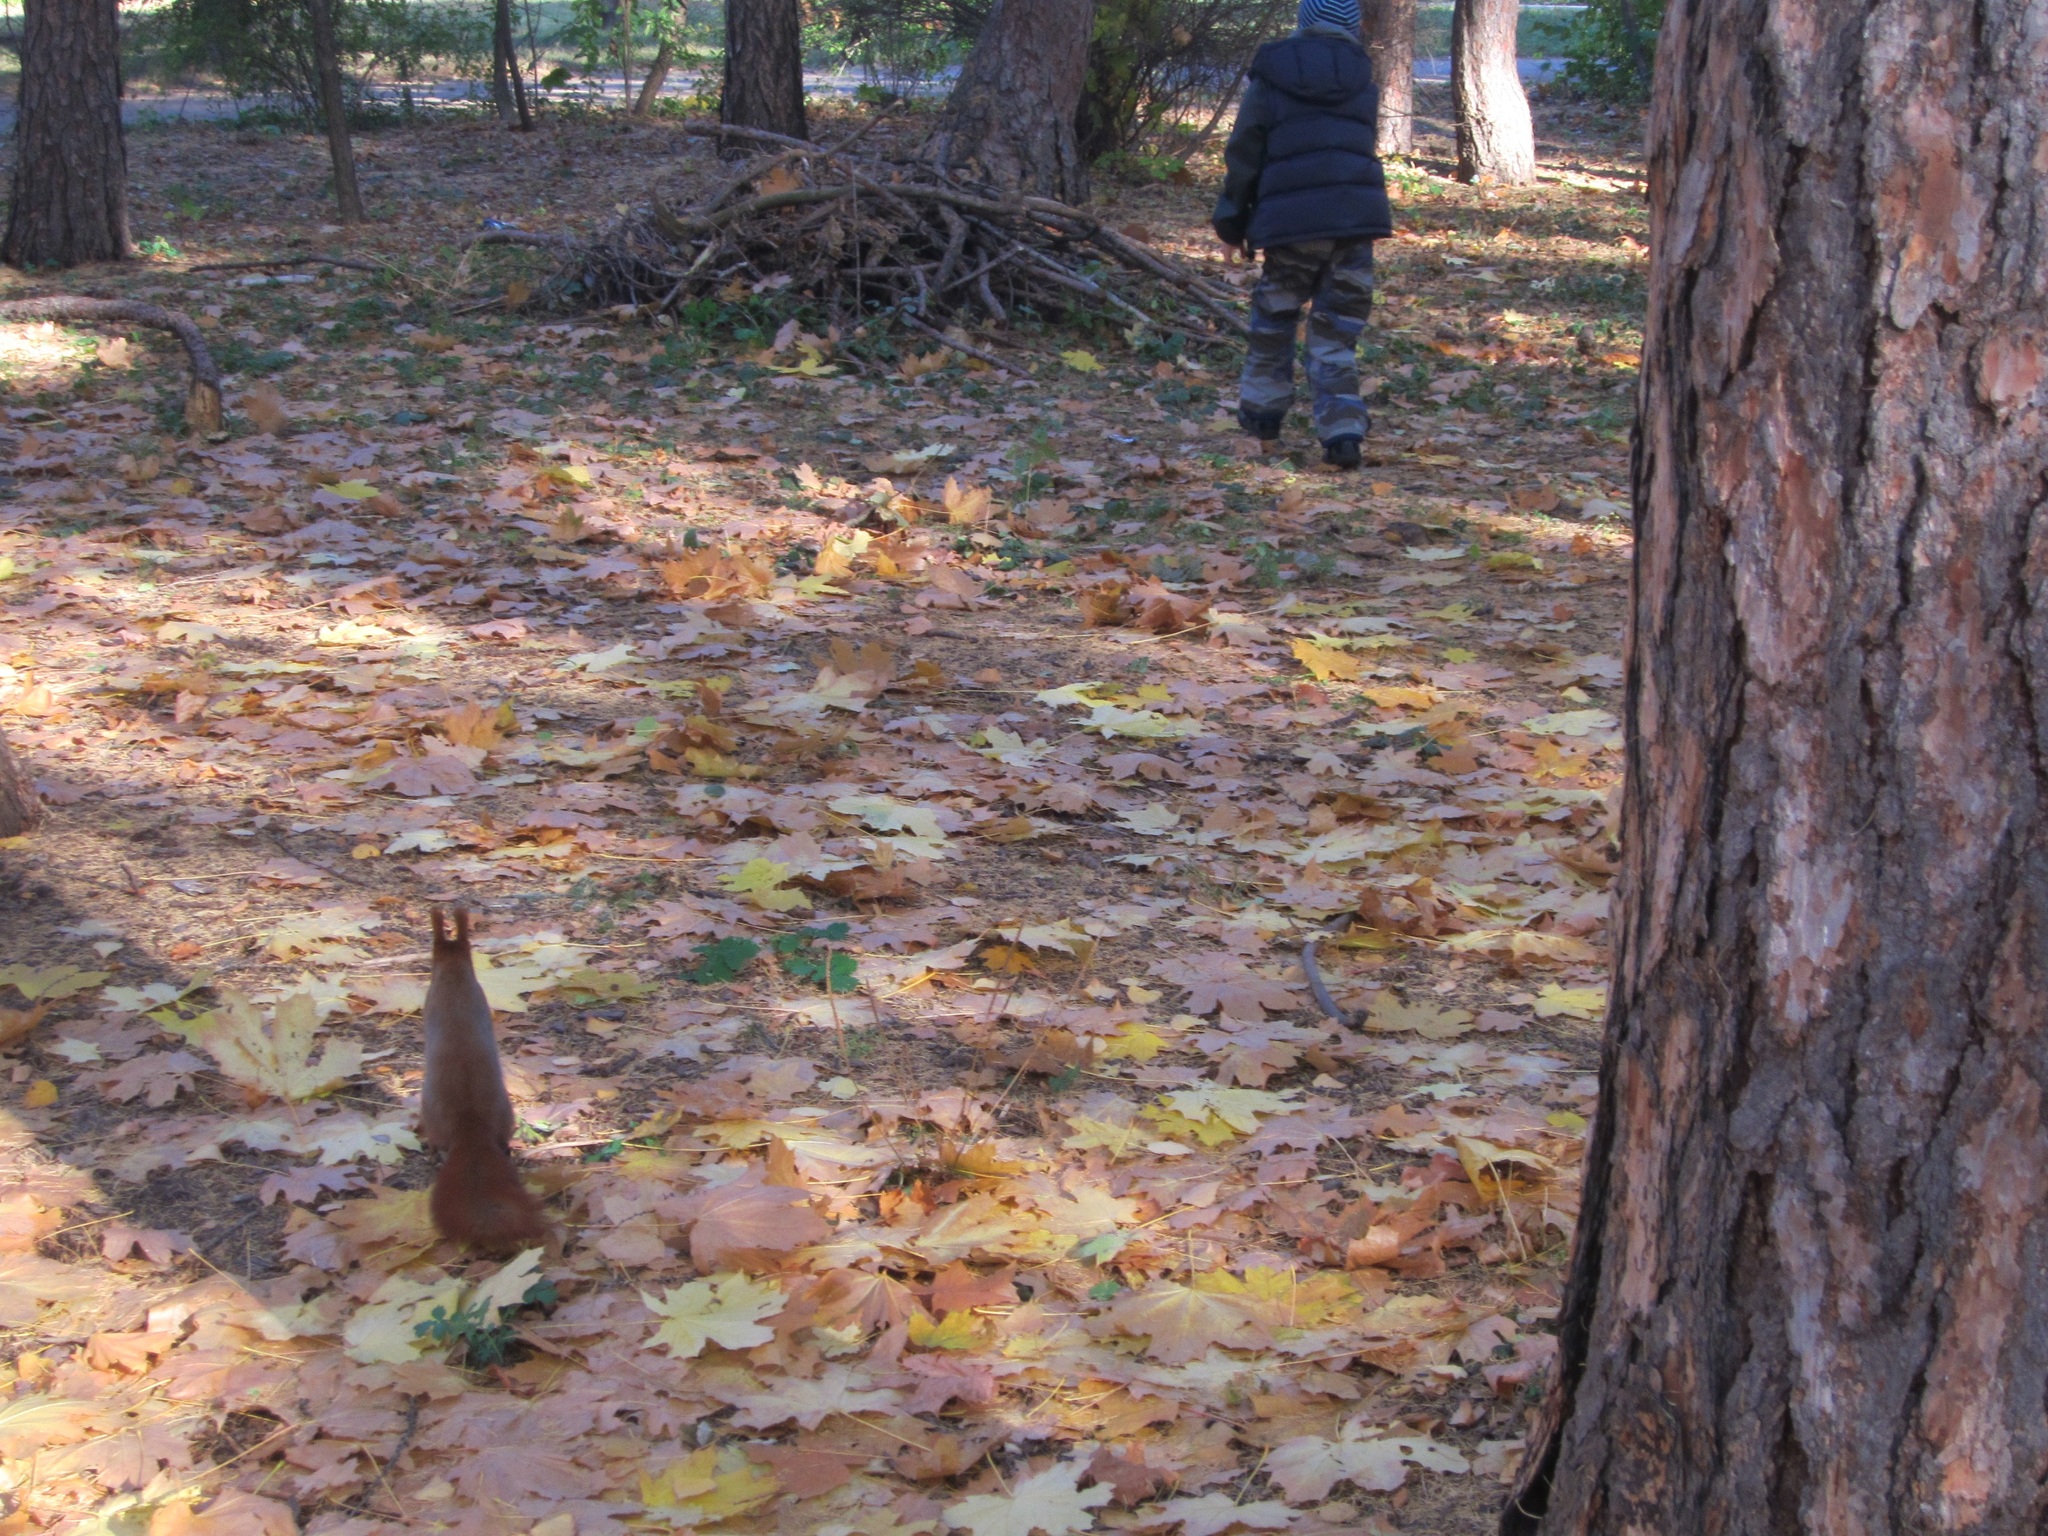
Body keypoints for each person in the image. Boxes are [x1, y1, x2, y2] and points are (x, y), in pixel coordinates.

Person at [1212, 0, 1394, 470]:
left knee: (1275, 320)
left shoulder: (1272, 74)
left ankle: (1262, 422)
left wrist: (1232, 223)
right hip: (1355, 221)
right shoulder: (1362, 78)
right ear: (1352, 26)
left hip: (1292, 225)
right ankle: (1343, 433)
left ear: (1302, 22)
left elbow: (1245, 151)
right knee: (1336, 332)